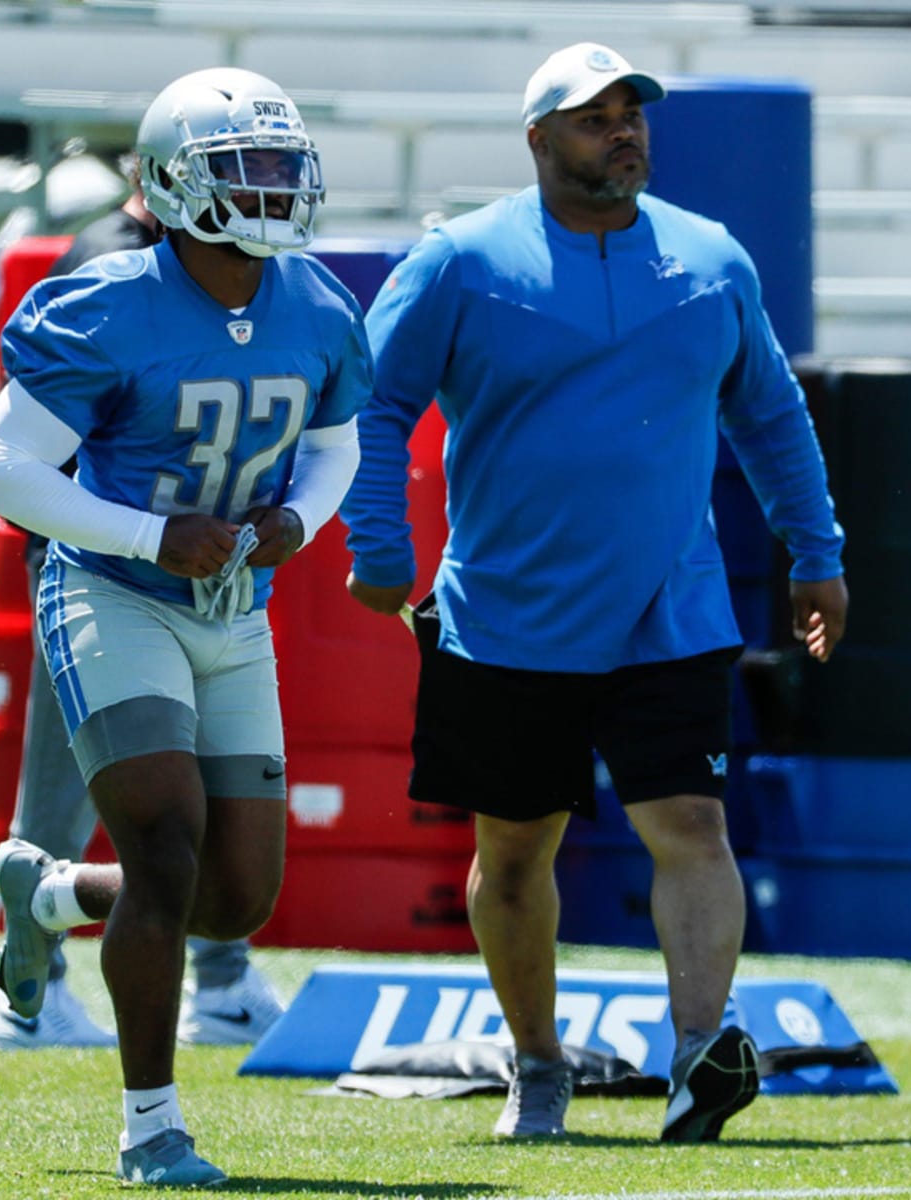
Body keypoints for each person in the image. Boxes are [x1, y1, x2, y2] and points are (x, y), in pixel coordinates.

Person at [340, 42, 848, 1143]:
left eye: (632, 113)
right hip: (505, 617)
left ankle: (697, 1058)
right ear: (538, 140)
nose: (622, 130)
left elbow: (768, 414)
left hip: (673, 611)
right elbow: (372, 405)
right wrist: (378, 542)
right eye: (591, 117)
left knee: (693, 825)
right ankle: (536, 1064)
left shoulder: (714, 260)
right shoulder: (460, 261)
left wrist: (817, 550)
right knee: (514, 855)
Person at [0, 66, 372, 1188]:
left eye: (285, 167)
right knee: (166, 845)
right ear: (170, 181)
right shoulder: (106, 300)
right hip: (113, 591)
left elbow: (338, 442)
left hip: (233, 606)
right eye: (245, 169)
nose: (274, 190)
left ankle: (49, 893)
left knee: (238, 898)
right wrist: (150, 539)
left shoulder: (319, 305)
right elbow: (1, 470)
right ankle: (153, 1128)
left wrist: (301, 513)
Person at [0, 154, 285, 1055]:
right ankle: (27, 998)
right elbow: (32, 433)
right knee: (72, 792)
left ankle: (217, 977)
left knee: (195, 789)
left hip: (186, 573)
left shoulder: (214, 275)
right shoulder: (114, 265)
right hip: (103, 569)